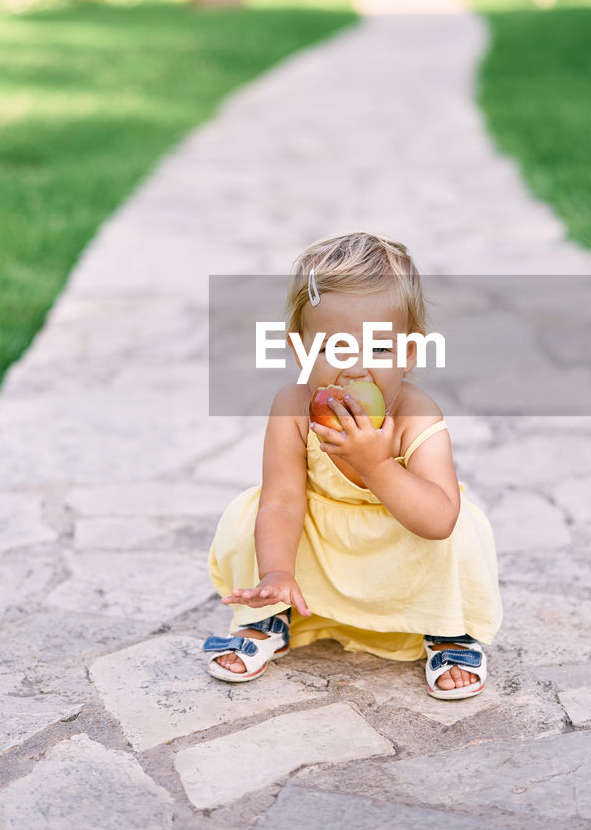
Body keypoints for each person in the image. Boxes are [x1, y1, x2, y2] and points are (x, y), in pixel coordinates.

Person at [202, 231, 503, 699]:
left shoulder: (415, 416)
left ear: (407, 353)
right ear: (302, 353)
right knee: (252, 516)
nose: (355, 368)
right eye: (333, 349)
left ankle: (448, 631)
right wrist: (278, 570)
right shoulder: (293, 407)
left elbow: (439, 520)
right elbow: (283, 500)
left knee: (461, 534)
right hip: (326, 539)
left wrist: (379, 466)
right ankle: (271, 615)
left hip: (402, 538)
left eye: (379, 349)